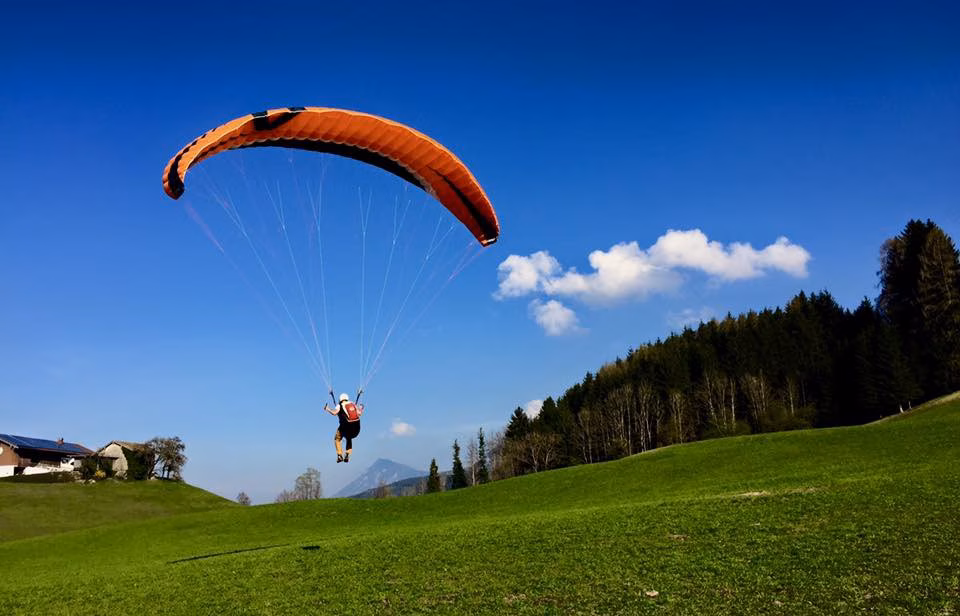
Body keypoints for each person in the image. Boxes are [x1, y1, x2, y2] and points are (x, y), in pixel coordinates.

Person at [324, 392, 364, 463]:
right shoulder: (353, 404)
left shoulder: (340, 405)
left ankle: (339, 455)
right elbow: (360, 413)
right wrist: (361, 408)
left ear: (340, 399)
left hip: (345, 428)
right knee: (349, 438)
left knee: (337, 439)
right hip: (356, 429)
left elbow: (334, 413)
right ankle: (348, 454)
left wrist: (327, 409)